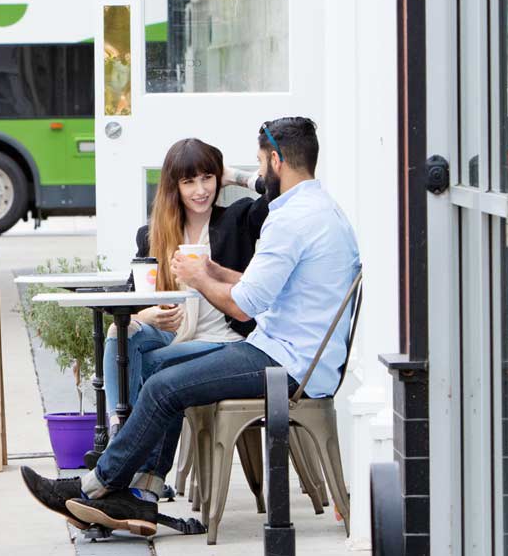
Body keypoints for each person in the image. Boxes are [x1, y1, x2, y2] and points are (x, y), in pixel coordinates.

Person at [21, 117, 360, 537]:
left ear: (276, 160)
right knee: (164, 377)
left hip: (288, 365)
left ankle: (95, 485)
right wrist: (217, 270)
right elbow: (269, 289)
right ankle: (141, 494)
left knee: (164, 386)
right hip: (297, 355)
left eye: (258, 162)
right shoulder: (322, 209)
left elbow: (241, 308)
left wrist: (200, 279)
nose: (256, 173)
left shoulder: (289, 220)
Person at [100, 139, 268, 416]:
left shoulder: (238, 219)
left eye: (208, 178)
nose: (201, 190)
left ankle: (125, 448)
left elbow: (282, 197)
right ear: (174, 186)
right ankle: (121, 432)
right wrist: (145, 316)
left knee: (149, 364)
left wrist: (236, 176)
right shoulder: (151, 235)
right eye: (189, 181)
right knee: (119, 332)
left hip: (224, 340)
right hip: (174, 336)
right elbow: (130, 299)